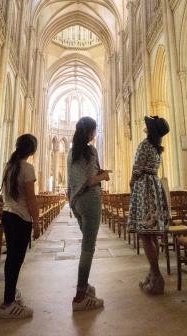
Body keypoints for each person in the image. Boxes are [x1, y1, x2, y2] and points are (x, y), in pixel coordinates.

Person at [67, 116, 110, 311]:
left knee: (87, 243)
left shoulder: (71, 153)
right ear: (90, 132)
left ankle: (84, 286)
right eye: (95, 130)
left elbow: (75, 180)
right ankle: (80, 295)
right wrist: (104, 176)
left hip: (76, 202)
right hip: (90, 200)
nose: (95, 133)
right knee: (88, 247)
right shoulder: (90, 151)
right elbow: (92, 180)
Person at [128, 116, 171, 294]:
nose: (145, 126)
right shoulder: (156, 148)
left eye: (148, 125)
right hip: (155, 186)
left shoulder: (144, 145)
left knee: (146, 235)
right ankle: (152, 275)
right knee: (152, 235)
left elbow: (137, 168)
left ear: (151, 130)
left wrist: (131, 183)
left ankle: (156, 277)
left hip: (144, 188)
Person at [0, 134, 40, 319]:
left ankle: (10, 294)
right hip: (21, 218)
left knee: (11, 259)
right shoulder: (27, 168)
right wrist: (37, 222)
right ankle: (9, 304)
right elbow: (31, 198)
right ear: (32, 150)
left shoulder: (9, 166)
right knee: (16, 259)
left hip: (7, 215)